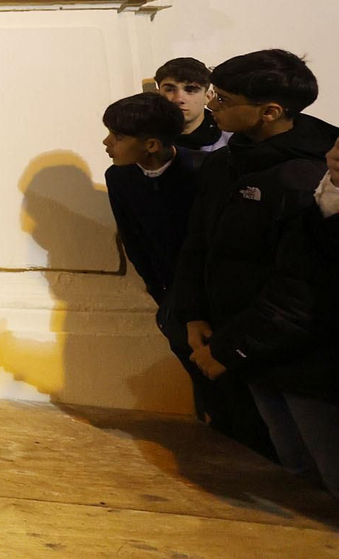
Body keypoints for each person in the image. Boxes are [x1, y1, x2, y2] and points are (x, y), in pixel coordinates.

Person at [168, 49, 336, 474]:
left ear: (270, 111)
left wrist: (232, 346)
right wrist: (192, 312)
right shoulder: (227, 160)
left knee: (325, 474)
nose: (211, 106)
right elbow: (197, 242)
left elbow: (302, 286)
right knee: (289, 472)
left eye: (222, 99)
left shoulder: (307, 176)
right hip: (243, 347)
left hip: (303, 359)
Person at [101, 92, 197, 306]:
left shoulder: (204, 170)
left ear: (151, 145)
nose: (106, 142)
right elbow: (133, 239)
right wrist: (160, 294)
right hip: (170, 297)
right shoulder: (118, 176)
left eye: (118, 137)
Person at [155, 57, 230, 152]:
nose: (179, 99)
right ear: (158, 96)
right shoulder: (141, 140)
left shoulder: (233, 141)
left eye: (190, 90)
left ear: (208, 97)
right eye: (169, 90)